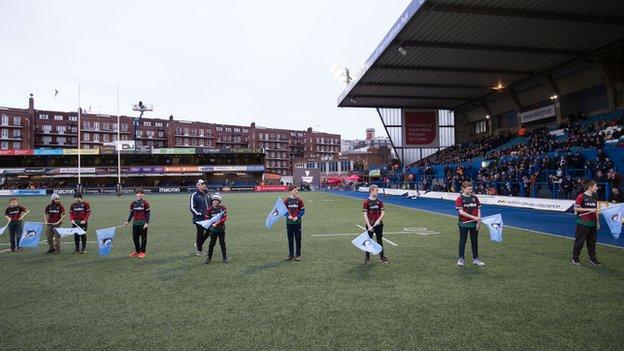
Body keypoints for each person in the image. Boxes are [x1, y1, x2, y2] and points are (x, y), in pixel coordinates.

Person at [455, 182, 484, 267]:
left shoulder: (475, 198)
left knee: (474, 241)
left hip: (474, 224)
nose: (471, 190)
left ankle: (475, 259)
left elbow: (478, 209)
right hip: (463, 224)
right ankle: (461, 258)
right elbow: (461, 212)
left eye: (471, 189)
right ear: (463, 189)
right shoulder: (459, 198)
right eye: (468, 189)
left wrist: (478, 221)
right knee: (462, 241)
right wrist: (473, 217)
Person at [572, 180, 601, 266]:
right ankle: (575, 257)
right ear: (590, 187)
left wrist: (598, 223)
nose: (597, 188)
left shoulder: (594, 197)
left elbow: (596, 211)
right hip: (583, 222)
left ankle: (592, 258)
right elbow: (576, 209)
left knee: (592, 242)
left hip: (593, 223)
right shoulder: (581, 197)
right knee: (580, 241)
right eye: (595, 186)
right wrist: (589, 209)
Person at [362, 184, 390, 264]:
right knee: (368, 241)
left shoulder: (379, 201)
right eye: (376, 190)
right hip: (370, 224)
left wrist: (379, 220)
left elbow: (383, 213)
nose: (378, 192)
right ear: (371, 191)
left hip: (379, 225)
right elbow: (365, 214)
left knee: (379, 240)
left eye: (378, 190)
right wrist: (369, 226)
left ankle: (382, 257)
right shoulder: (366, 202)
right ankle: (367, 258)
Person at [123, 188, 150, 259]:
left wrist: (146, 223)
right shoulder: (133, 203)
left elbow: (148, 214)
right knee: (135, 238)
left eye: (142, 193)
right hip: (135, 224)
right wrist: (128, 221)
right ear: (136, 194)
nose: (141, 195)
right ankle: (137, 251)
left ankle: (143, 252)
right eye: (139, 193)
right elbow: (131, 213)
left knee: (143, 239)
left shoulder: (145, 203)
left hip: (143, 224)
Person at [205, 194, 228, 264]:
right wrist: (212, 224)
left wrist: (218, 223)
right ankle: (209, 258)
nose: (215, 201)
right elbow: (207, 219)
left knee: (222, 243)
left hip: (221, 229)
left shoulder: (222, 208)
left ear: (219, 201)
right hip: (213, 230)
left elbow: (225, 218)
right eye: (214, 200)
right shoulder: (209, 209)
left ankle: (225, 258)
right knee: (212, 243)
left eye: (216, 200)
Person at [190, 179, 210, 256]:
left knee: (210, 231)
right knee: (200, 234)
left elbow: (211, 204)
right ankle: (199, 251)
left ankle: (198, 243)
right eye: (202, 184)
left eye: (205, 184)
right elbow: (192, 208)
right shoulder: (194, 195)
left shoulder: (207, 194)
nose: (204, 185)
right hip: (199, 219)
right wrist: (201, 214)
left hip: (208, 218)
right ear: (198, 185)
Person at [284, 185, 305, 261]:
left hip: (297, 223)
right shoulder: (286, 201)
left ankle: (298, 255)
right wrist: (287, 216)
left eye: (296, 190)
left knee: (298, 239)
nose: (296, 192)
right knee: (290, 239)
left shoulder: (299, 200)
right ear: (290, 191)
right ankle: (291, 254)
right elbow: (284, 211)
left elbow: (303, 211)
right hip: (289, 223)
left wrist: (297, 216)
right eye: (295, 190)